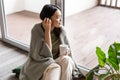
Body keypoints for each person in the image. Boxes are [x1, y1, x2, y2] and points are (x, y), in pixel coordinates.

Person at [19, 4, 79, 80]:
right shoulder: (36, 30)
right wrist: (47, 30)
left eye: (60, 16)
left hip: (55, 60)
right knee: (55, 67)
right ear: (48, 19)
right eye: (57, 17)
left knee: (67, 60)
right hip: (40, 63)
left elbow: (66, 51)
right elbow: (45, 54)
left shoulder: (61, 30)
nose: (61, 20)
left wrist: (67, 52)